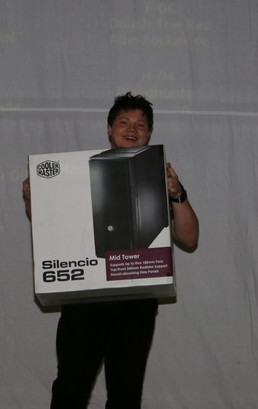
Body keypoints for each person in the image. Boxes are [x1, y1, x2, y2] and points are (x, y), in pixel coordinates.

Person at [22, 92, 199, 408]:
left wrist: (178, 194)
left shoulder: (159, 175)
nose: (132, 129)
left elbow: (189, 239)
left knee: (125, 394)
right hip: (84, 297)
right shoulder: (77, 172)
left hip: (136, 301)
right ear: (109, 128)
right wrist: (33, 197)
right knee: (70, 389)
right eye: (124, 122)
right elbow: (52, 230)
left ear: (149, 133)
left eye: (140, 124)